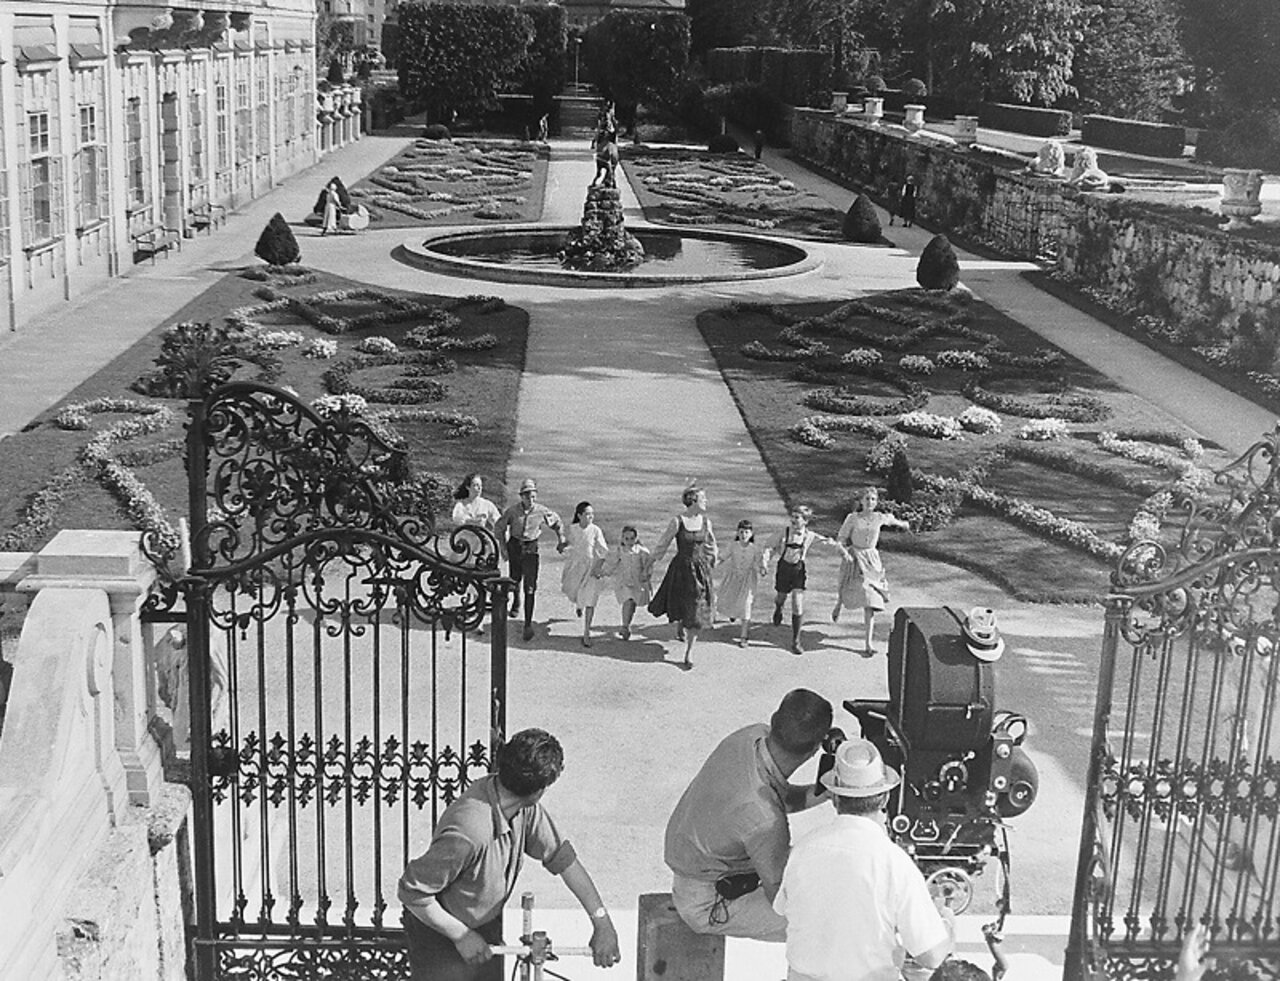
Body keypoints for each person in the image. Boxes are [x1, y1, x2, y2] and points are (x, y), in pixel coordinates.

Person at [399, 728, 622, 981]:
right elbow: (412, 892)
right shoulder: (469, 831)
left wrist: (602, 923)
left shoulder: (525, 809)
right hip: (441, 937)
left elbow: (564, 861)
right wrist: (460, 935)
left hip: (483, 929)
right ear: (539, 790)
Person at [774, 738, 953, 981]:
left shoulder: (804, 849)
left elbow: (785, 909)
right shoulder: (894, 862)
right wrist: (946, 923)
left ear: (835, 799)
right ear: (885, 799)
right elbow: (931, 957)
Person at [664, 689, 835, 941]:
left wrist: (827, 792)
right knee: (833, 919)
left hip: (700, 873)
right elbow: (779, 898)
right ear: (815, 749)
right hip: (707, 902)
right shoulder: (764, 819)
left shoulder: (751, 736)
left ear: (774, 720)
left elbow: (775, 796)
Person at [832, 487, 909, 655]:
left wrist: (903, 524)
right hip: (855, 557)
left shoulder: (879, 517)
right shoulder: (852, 518)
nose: (870, 502)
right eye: (867, 499)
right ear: (861, 501)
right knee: (846, 586)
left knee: (870, 601)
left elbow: (892, 520)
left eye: (873, 499)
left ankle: (868, 644)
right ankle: (839, 604)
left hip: (872, 561)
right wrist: (844, 552)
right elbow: (840, 539)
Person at [648, 485, 717, 670]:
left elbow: (710, 543)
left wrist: (713, 559)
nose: (706, 501)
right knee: (682, 603)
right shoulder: (678, 522)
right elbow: (664, 542)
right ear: (693, 500)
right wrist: (651, 561)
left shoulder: (706, 522)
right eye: (703, 498)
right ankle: (680, 624)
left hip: (700, 570)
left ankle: (689, 651)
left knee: (696, 609)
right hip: (681, 569)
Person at [494, 478, 568, 642]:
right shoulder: (513, 511)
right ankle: (516, 601)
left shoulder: (541, 511)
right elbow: (499, 527)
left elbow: (556, 522)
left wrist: (561, 538)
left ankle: (527, 624)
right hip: (515, 547)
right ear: (521, 496)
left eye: (533, 496)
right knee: (514, 580)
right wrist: (503, 548)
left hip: (531, 549)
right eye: (527, 496)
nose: (530, 499)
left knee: (530, 587)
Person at [769, 505, 843, 656]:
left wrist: (840, 549)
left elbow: (826, 542)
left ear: (805, 521)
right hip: (784, 568)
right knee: (781, 596)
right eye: (793, 516)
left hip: (798, 571)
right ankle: (778, 608)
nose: (794, 520)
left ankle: (796, 641)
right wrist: (764, 561)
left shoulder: (809, 536)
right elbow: (769, 546)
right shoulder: (784, 532)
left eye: (797, 518)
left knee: (797, 603)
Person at [450, 473, 502, 632]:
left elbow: (497, 521)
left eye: (480, 486)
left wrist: (501, 533)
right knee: (466, 579)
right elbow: (457, 519)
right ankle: (467, 609)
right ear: (468, 487)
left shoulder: (486, 505)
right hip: (465, 547)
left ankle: (478, 616)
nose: (478, 489)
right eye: (475, 486)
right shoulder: (461, 505)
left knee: (481, 581)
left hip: (482, 548)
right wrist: (471, 521)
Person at [561, 501, 610, 648]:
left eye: (592, 514)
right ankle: (578, 605)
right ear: (579, 515)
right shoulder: (573, 529)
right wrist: (562, 545)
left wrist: (598, 566)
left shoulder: (595, 530)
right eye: (587, 514)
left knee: (591, 598)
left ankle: (587, 631)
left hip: (590, 568)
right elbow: (567, 543)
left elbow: (604, 550)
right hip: (575, 567)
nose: (591, 517)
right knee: (572, 591)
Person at [716, 519, 767, 648]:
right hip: (733, 578)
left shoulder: (754, 549)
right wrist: (714, 564)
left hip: (748, 580)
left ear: (751, 534)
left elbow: (759, 563)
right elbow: (723, 557)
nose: (744, 535)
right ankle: (732, 614)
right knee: (729, 599)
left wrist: (762, 568)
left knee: (746, 604)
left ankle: (744, 635)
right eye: (741, 532)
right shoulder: (733, 545)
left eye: (747, 532)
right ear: (738, 533)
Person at [602, 524, 652, 641]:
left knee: (633, 604)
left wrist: (647, 575)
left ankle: (627, 624)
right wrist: (604, 572)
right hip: (624, 581)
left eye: (632, 538)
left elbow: (648, 566)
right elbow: (613, 564)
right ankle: (624, 626)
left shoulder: (642, 552)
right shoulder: (619, 551)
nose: (629, 541)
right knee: (628, 601)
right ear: (622, 538)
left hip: (637, 582)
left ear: (636, 538)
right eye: (626, 538)